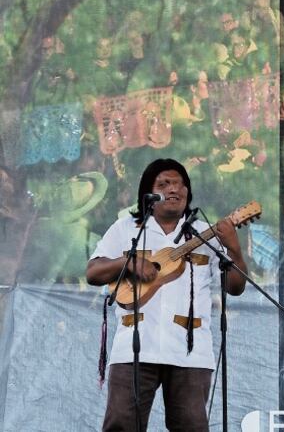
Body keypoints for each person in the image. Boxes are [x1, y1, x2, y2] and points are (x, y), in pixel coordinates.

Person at [86, 159, 248, 431]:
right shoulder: (126, 229)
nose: (174, 189)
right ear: (148, 195)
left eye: (180, 184)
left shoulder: (203, 234)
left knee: (191, 427)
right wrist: (128, 264)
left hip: (190, 352)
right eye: (164, 184)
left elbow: (236, 287)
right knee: (121, 425)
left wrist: (234, 250)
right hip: (133, 349)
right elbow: (93, 272)